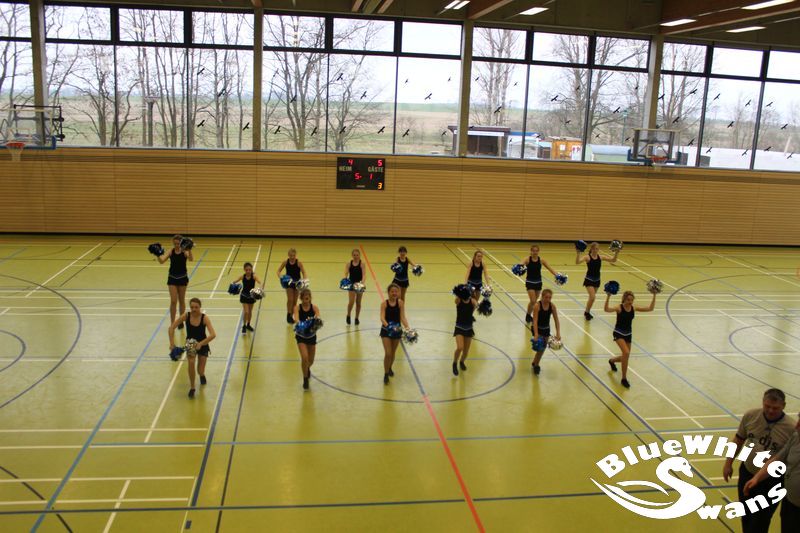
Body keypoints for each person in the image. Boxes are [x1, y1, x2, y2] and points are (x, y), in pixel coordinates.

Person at [724, 388, 796, 533]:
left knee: (761, 519)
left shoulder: (791, 428)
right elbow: (738, 440)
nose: (770, 411)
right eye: (767, 406)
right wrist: (728, 463)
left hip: (772, 481)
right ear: (763, 402)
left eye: (775, 408)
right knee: (746, 514)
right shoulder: (751, 416)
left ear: (783, 406)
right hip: (747, 473)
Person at [744, 412, 800, 533]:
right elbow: (777, 459)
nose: (796, 426)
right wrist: (757, 478)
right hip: (790, 502)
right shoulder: (796, 438)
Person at [604, 290, 655, 388]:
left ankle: (612, 361)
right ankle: (624, 378)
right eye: (628, 300)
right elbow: (606, 309)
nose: (630, 302)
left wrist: (654, 295)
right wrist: (608, 296)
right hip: (618, 333)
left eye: (632, 300)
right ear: (624, 299)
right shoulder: (619, 307)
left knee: (625, 356)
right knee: (626, 353)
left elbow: (650, 308)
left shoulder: (633, 308)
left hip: (628, 334)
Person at [168, 297, 216, 398]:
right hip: (190, 344)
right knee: (191, 363)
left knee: (200, 370)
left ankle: (202, 375)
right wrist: (172, 344)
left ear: (200, 307)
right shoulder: (186, 316)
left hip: (203, 344)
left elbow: (213, 335)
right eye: (192, 307)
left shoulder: (204, 318)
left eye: (196, 307)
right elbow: (171, 328)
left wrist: (200, 344)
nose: (194, 309)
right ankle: (192, 387)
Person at [157, 234, 193, 329]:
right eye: (175, 243)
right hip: (172, 278)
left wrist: (189, 249)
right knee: (173, 301)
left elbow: (191, 259)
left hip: (182, 277)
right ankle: (173, 323)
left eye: (178, 243)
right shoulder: (171, 251)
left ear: (181, 243)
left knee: (181, 300)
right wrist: (157, 254)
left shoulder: (185, 251)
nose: (176, 245)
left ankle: (181, 321)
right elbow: (161, 261)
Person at [576, 242, 618, 320]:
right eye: (594, 248)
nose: (596, 250)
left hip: (597, 280)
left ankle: (587, 312)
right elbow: (577, 262)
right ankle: (587, 312)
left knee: (591, 298)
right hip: (589, 280)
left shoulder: (600, 257)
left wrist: (616, 252)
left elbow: (613, 260)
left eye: (597, 249)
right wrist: (578, 253)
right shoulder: (587, 257)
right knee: (592, 297)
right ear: (591, 249)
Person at [380, 283, 411, 384]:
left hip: (397, 331)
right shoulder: (384, 304)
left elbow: (403, 317)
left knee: (393, 353)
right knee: (388, 353)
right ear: (388, 292)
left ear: (398, 293)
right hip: (386, 330)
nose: (394, 293)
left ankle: (389, 367)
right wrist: (389, 326)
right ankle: (385, 374)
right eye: (392, 291)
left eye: (396, 291)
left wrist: (408, 328)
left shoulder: (400, 303)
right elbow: (382, 318)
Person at [293, 288, 321, 390]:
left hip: (311, 336)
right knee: (304, 357)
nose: (306, 300)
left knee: (310, 360)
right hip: (301, 336)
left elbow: (318, 318)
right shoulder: (297, 308)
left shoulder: (314, 308)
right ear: (301, 298)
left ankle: (307, 368)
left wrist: (315, 322)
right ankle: (305, 379)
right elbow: (296, 319)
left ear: (310, 298)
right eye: (305, 298)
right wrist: (302, 324)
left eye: (308, 298)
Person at [523, 244, 558, 323]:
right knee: (533, 301)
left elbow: (550, 268)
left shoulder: (541, 260)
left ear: (538, 252)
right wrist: (519, 268)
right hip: (529, 282)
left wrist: (557, 275)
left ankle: (529, 315)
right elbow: (520, 265)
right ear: (531, 251)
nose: (535, 252)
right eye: (533, 251)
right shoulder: (527, 259)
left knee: (535, 300)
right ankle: (529, 315)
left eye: (536, 251)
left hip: (538, 282)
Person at [531, 289, 561, 375]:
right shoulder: (537, 306)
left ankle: (535, 362)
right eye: (546, 297)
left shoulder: (552, 306)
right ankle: (536, 365)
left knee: (542, 348)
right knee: (540, 347)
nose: (548, 299)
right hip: (537, 328)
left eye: (550, 298)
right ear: (542, 296)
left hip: (546, 329)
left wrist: (558, 333)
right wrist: (536, 334)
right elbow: (535, 321)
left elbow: (556, 320)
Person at [452, 289, 478, 376]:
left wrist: (486, 299)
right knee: (460, 347)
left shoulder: (472, 301)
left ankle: (462, 362)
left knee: (466, 352)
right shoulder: (459, 300)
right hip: (459, 327)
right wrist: (458, 293)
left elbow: (477, 305)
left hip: (469, 328)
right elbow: (456, 300)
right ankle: (454, 363)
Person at [277, 248, 306, 324]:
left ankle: (291, 315)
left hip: (297, 283)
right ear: (288, 255)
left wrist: (304, 280)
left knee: (295, 301)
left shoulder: (299, 263)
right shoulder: (285, 262)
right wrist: (281, 277)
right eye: (291, 255)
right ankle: (288, 314)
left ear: (295, 255)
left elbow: (304, 272)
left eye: (293, 255)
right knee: (290, 299)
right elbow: (278, 271)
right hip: (289, 283)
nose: (292, 257)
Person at [231, 262, 262, 334]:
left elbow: (260, 282)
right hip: (244, 296)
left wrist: (260, 288)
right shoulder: (242, 276)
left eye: (249, 270)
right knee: (246, 312)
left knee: (250, 312)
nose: (248, 271)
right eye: (246, 270)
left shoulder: (254, 276)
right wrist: (232, 284)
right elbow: (235, 281)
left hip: (251, 296)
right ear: (244, 270)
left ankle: (248, 324)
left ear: (251, 270)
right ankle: (244, 326)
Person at [345, 249, 366, 325]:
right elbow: (346, 273)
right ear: (352, 255)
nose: (356, 256)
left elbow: (364, 275)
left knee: (358, 302)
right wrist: (345, 279)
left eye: (357, 255)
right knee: (351, 301)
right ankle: (348, 315)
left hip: (359, 284)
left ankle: (357, 318)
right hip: (351, 284)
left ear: (359, 255)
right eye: (354, 255)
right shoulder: (349, 263)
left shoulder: (362, 264)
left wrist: (362, 283)